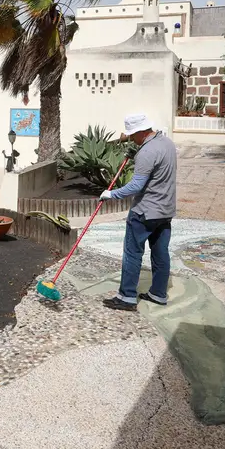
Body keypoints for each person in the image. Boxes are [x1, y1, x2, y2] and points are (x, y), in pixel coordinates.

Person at [98, 113, 177, 312]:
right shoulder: (167, 143)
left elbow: (136, 186)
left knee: (132, 253)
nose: (132, 138)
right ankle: (158, 294)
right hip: (165, 211)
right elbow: (156, 169)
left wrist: (111, 194)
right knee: (160, 253)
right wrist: (137, 154)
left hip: (145, 212)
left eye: (133, 135)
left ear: (141, 132)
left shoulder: (147, 152)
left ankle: (127, 297)